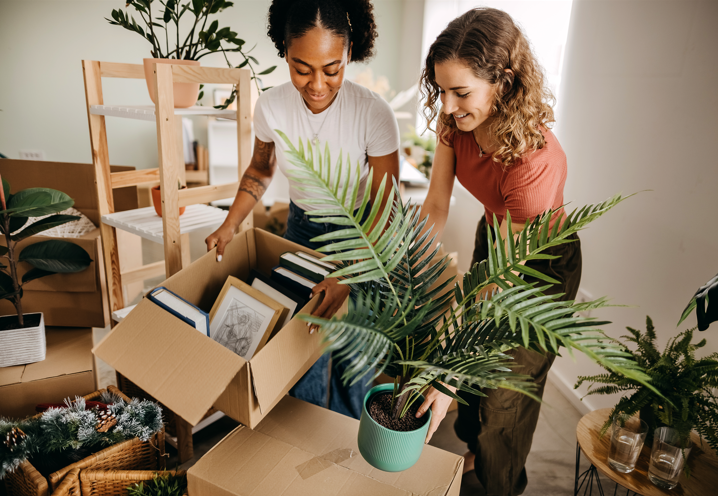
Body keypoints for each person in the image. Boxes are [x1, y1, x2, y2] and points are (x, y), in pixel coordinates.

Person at [412, 8, 582, 496]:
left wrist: (440, 379)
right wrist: (406, 262)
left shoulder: (535, 164)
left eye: (460, 92)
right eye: (441, 90)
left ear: (504, 82)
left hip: (541, 264)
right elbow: (437, 205)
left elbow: (494, 287)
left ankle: (500, 481)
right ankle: (475, 455)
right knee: (474, 382)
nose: (446, 106)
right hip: (497, 236)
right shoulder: (455, 123)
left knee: (504, 391)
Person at [205, 0, 400, 419]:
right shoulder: (272, 107)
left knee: (353, 357)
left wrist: (349, 272)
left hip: (363, 240)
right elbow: (260, 168)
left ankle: (348, 448)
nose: (316, 84)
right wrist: (230, 224)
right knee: (300, 350)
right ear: (284, 52)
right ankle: (304, 444)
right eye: (301, 68)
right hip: (301, 232)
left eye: (332, 69)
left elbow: (386, 208)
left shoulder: (373, 114)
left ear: (349, 52)